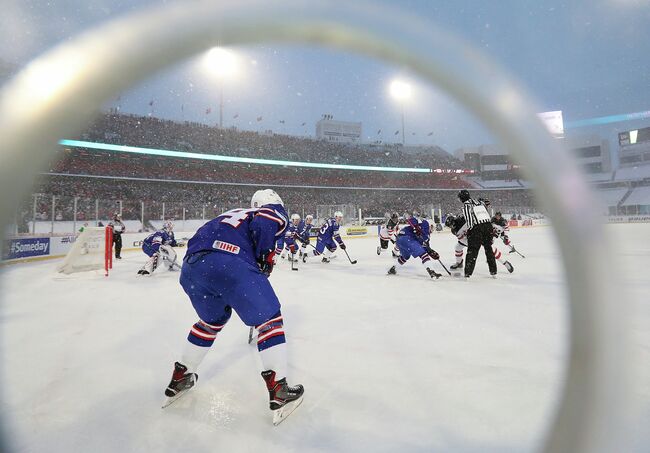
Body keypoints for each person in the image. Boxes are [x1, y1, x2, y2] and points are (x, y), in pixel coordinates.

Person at [163, 189, 304, 425]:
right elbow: (267, 222)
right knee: (269, 320)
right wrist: (264, 259)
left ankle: (181, 376)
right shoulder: (270, 211)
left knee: (210, 322)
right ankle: (279, 391)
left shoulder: (230, 214)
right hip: (229, 262)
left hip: (192, 268)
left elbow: (201, 239)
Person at [445, 214, 513, 273]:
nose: (451, 227)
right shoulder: (454, 230)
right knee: (458, 247)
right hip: (470, 239)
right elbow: (462, 239)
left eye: (450, 225)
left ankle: (505, 263)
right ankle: (459, 263)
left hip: (479, 233)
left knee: (490, 249)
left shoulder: (463, 218)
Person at [387, 212, 441, 278]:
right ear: (431, 225)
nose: (432, 230)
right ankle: (432, 272)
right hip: (407, 238)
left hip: (400, 239)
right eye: (432, 228)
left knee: (405, 256)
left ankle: (393, 269)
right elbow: (411, 220)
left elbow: (425, 245)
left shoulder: (426, 236)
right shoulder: (425, 224)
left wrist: (431, 252)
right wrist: (416, 227)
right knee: (423, 254)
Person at [458, 189, 497, 277]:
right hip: (488, 226)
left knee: (472, 250)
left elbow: (469, 220)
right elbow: (486, 209)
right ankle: (493, 271)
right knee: (488, 249)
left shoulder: (466, 205)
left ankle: (468, 273)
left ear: (461, 198)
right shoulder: (479, 202)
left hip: (477, 228)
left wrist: (470, 231)